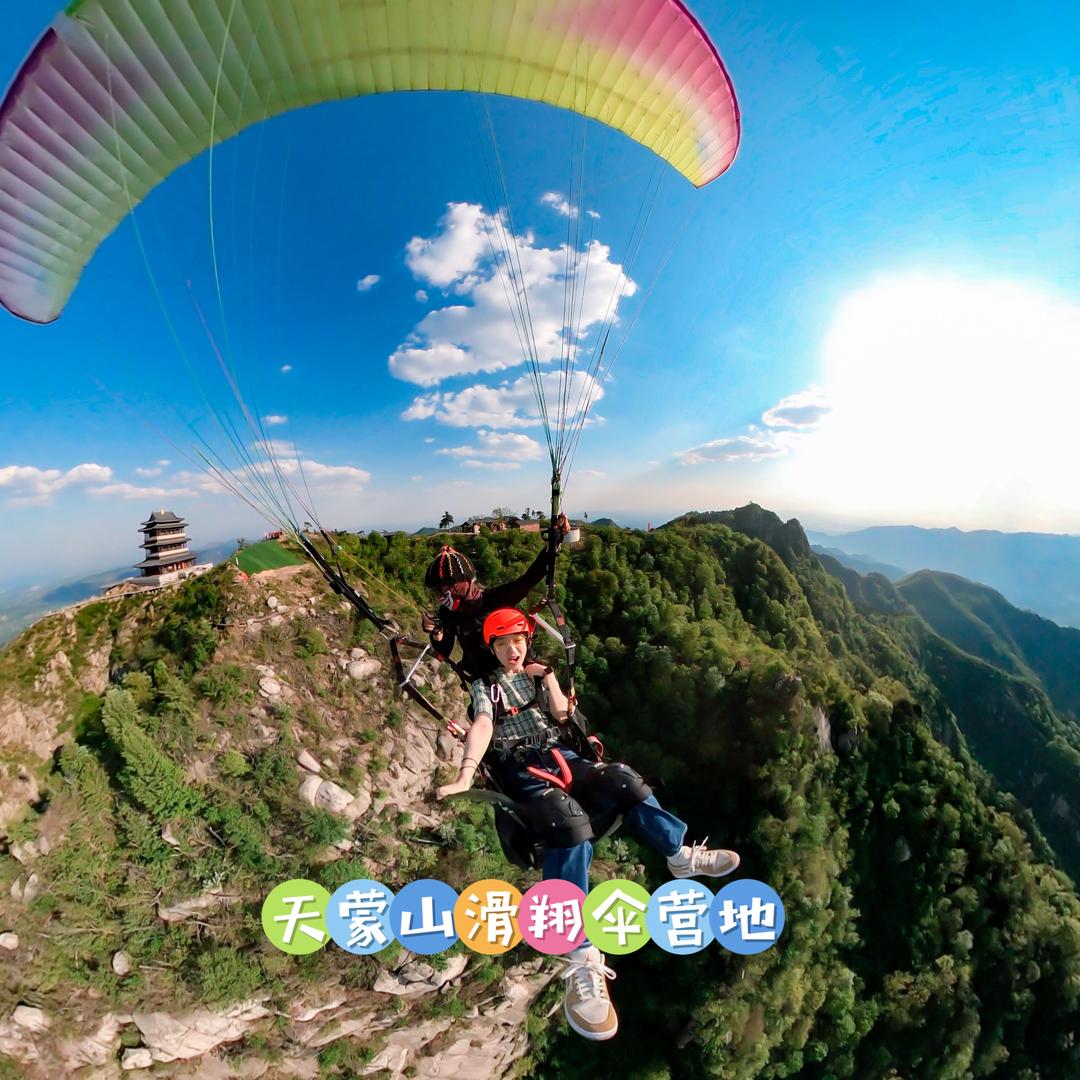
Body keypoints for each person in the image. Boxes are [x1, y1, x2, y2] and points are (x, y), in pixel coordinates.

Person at [435, 608, 740, 1042]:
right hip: (522, 767)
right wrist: (466, 772)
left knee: (625, 781)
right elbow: (483, 724)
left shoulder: (540, 674)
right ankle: (577, 951)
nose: (512, 650)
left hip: (563, 755)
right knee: (568, 823)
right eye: (502, 644)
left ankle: (680, 854)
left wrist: (551, 679)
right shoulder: (487, 686)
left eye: (518, 640)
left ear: (527, 639)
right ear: (492, 649)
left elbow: (561, 715)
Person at [421, 513, 570, 683]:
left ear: (462, 584)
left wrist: (555, 542)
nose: (441, 597)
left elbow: (529, 578)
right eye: (437, 592)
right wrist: (437, 632)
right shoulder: (448, 613)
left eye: (443, 590)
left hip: (515, 672)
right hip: (483, 681)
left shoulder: (495, 599)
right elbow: (444, 651)